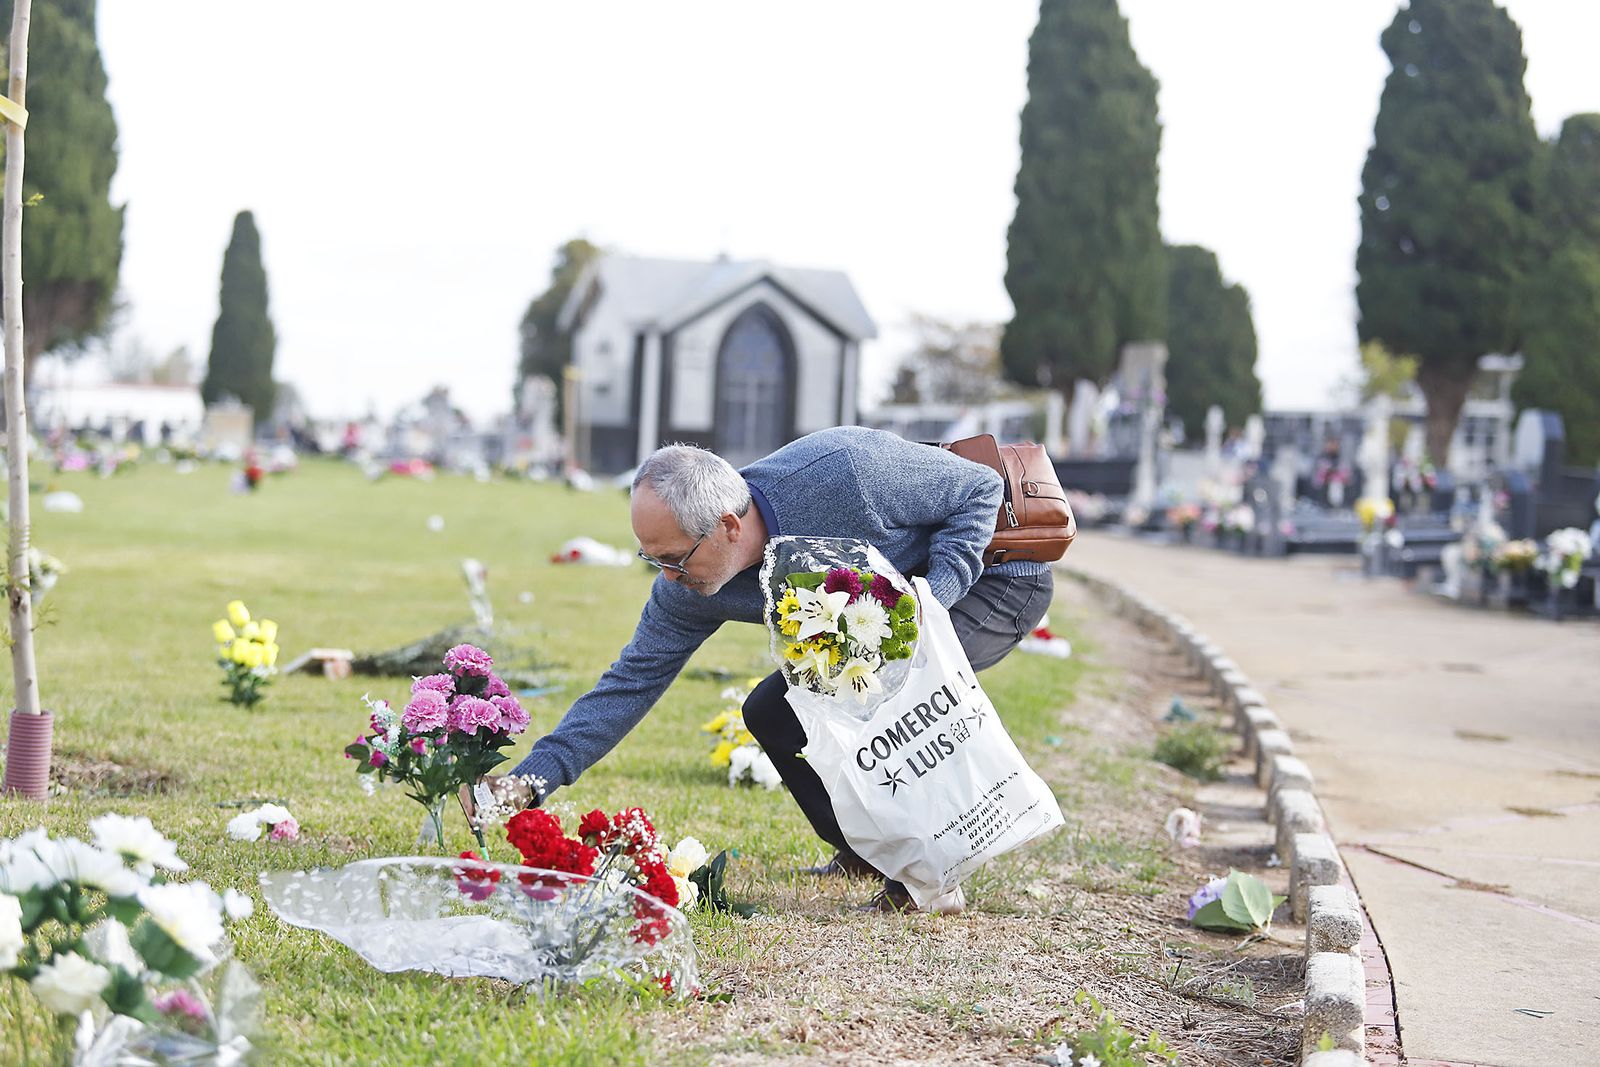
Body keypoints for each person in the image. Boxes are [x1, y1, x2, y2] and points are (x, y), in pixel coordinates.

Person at [473, 426, 1053, 911]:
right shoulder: (689, 589)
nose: (667, 577)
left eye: (674, 558)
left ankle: (926, 872)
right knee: (770, 712)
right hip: (876, 621)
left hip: (996, 582)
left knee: (888, 687)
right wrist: (531, 779)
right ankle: (861, 849)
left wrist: (927, 608)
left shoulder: (845, 471)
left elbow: (980, 488)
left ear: (727, 525)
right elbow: (629, 683)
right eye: (652, 559)